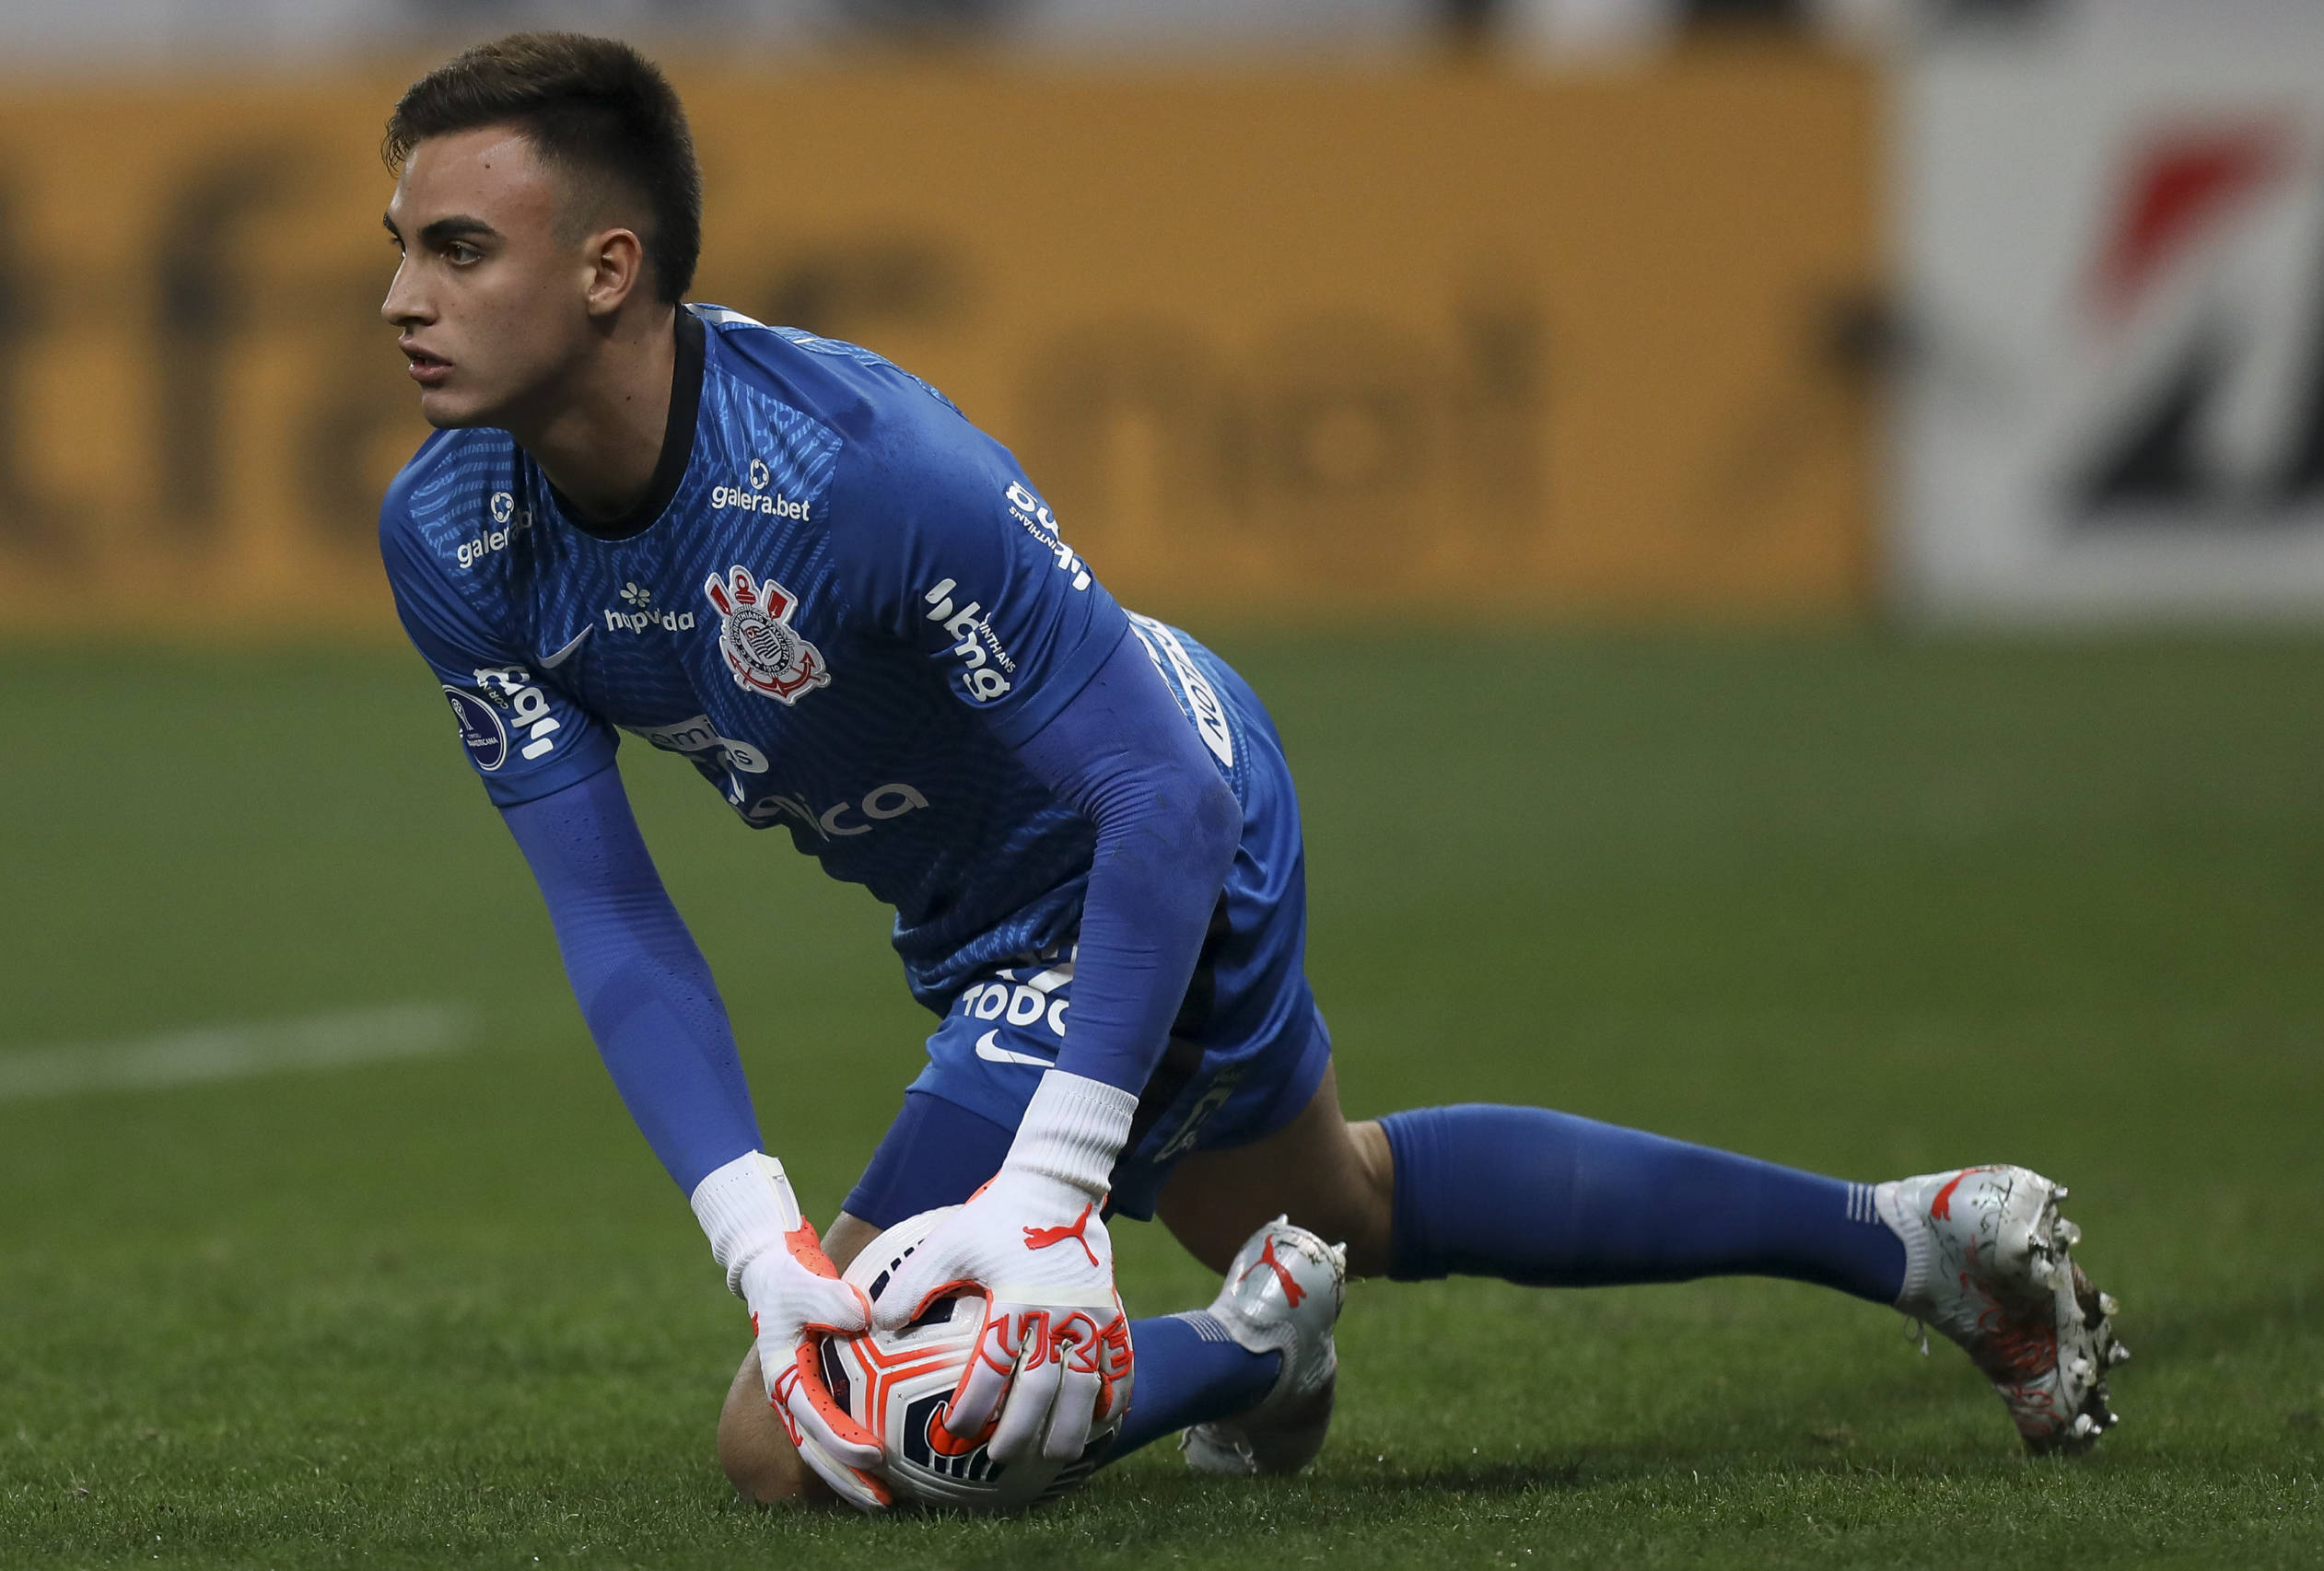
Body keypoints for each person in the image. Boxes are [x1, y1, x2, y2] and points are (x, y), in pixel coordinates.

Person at [376, 31, 2125, 1512]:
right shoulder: (449, 536)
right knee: (1319, 1197)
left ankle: (1244, 1345)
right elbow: (614, 918)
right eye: (399, 248)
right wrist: (763, 1243)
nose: (400, 299)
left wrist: (1052, 1192)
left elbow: (1163, 801)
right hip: (1001, 904)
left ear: (608, 268)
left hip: (1143, 827)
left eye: (458, 249)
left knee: (791, 1440)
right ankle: (1920, 1239)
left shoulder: (862, 468)